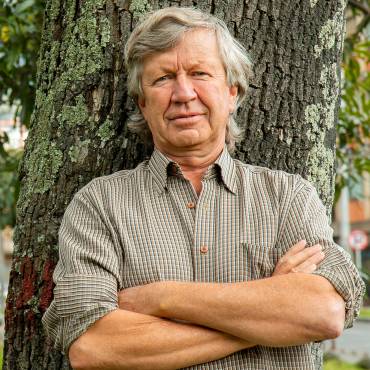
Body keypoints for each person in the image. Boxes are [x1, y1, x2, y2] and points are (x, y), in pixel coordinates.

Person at [42, 7, 365, 370]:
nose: (183, 93)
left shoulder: (288, 196)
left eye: (200, 73)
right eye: (163, 78)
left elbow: (323, 312)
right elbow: (94, 348)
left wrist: (163, 297)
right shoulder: (98, 205)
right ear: (142, 103)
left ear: (232, 91)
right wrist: (267, 318)